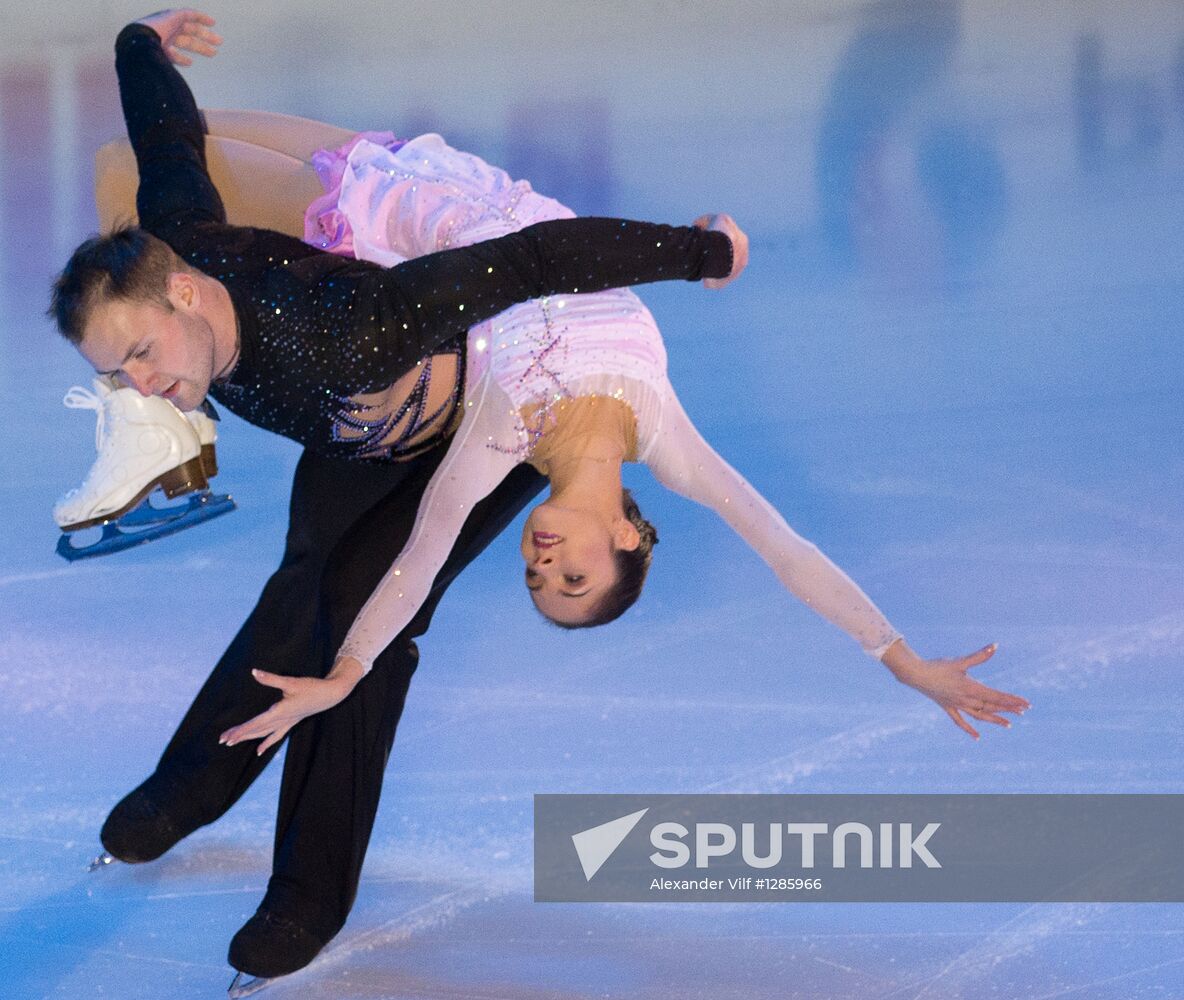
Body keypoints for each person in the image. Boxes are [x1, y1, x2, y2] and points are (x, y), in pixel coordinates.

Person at [53, 9, 746, 984]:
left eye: (139, 356)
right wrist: (140, 43)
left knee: (366, 627)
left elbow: (533, 258)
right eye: (116, 369)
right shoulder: (177, 247)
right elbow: (170, 143)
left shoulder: (355, 326)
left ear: (188, 300)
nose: (139, 384)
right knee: (305, 585)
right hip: (358, 428)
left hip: (484, 425)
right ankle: (189, 786)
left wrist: (700, 251)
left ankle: (305, 895)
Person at [218, 131, 1030, 765]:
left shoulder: (497, 439)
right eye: (573, 576)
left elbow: (417, 563)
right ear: (627, 538)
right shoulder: (669, 441)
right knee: (177, 121)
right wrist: (900, 658)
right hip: (472, 187)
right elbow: (788, 552)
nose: (542, 563)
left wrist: (348, 673)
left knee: (154, 170)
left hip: (397, 220)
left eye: (537, 580)